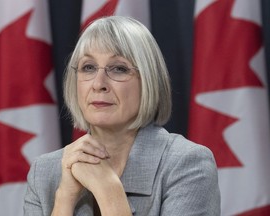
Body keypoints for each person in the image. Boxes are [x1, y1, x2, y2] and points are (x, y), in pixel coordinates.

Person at [24, 16, 220, 216]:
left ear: (148, 80)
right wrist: (64, 198)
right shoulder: (45, 171)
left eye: (119, 69)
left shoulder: (187, 164)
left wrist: (108, 191)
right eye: (88, 67)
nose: (98, 83)